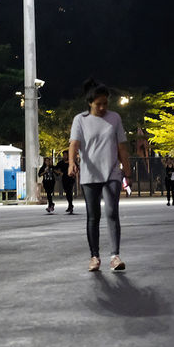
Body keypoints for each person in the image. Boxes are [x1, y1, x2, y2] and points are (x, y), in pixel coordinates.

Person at [68, 80, 132, 272]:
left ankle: (115, 256)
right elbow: (74, 143)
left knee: (112, 213)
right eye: (98, 104)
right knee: (93, 216)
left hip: (112, 172)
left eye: (105, 103)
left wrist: (126, 169)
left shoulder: (115, 118)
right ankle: (94, 257)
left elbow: (121, 145)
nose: (103, 107)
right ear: (90, 103)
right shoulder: (81, 120)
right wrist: (72, 162)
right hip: (89, 174)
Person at [56, 149, 75, 214]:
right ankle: (70, 205)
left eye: (65, 155)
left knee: (69, 191)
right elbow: (55, 168)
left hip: (70, 179)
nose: (64, 156)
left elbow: (76, 168)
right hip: (64, 179)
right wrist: (58, 172)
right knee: (67, 192)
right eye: (63, 155)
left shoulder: (71, 162)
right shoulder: (61, 163)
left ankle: (70, 205)